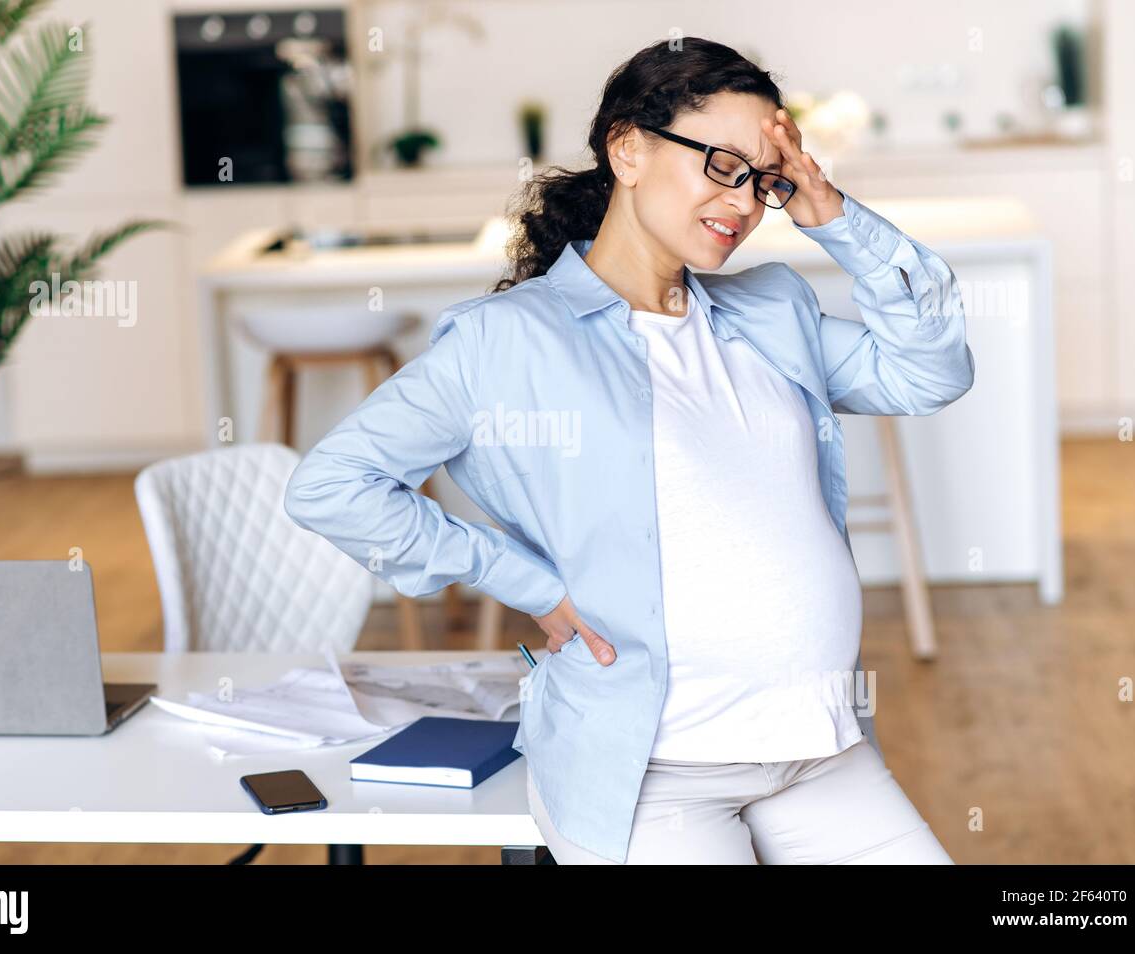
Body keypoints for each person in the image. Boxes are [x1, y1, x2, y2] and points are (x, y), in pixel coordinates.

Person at [285, 36, 974, 864]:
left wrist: (835, 217)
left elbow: (929, 374)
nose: (747, 202)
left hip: (821, 754)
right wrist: (519, 579)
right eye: (723, 165)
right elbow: (333, 483)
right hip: (654, 772)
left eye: (764, 179)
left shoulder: (771, 310)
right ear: (629, 148)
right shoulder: (508, 341)